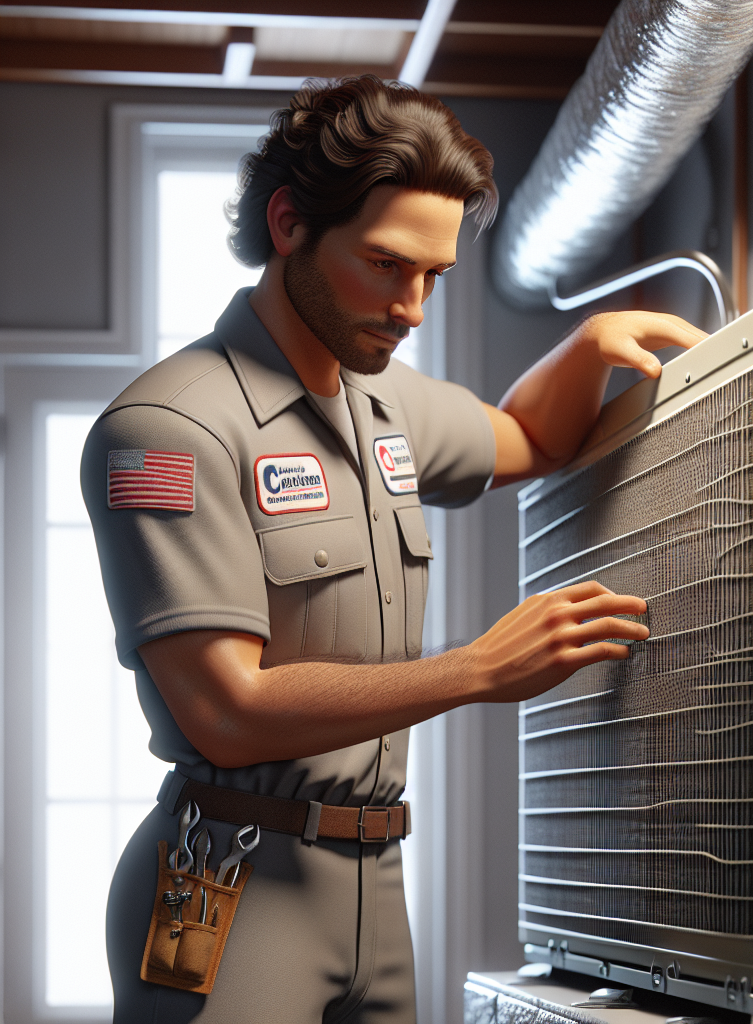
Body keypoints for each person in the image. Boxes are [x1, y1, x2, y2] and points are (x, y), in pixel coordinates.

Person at [81, 75, 706, 1024]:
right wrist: (477, 669)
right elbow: (226, 713)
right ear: (290, 223)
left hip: (376, 885)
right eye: (385, 265)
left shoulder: (384, 403)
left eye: (433, 276)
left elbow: (527, 439)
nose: (411, 306)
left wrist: (587, 347)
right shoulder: (172, 428)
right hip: (236, 879)